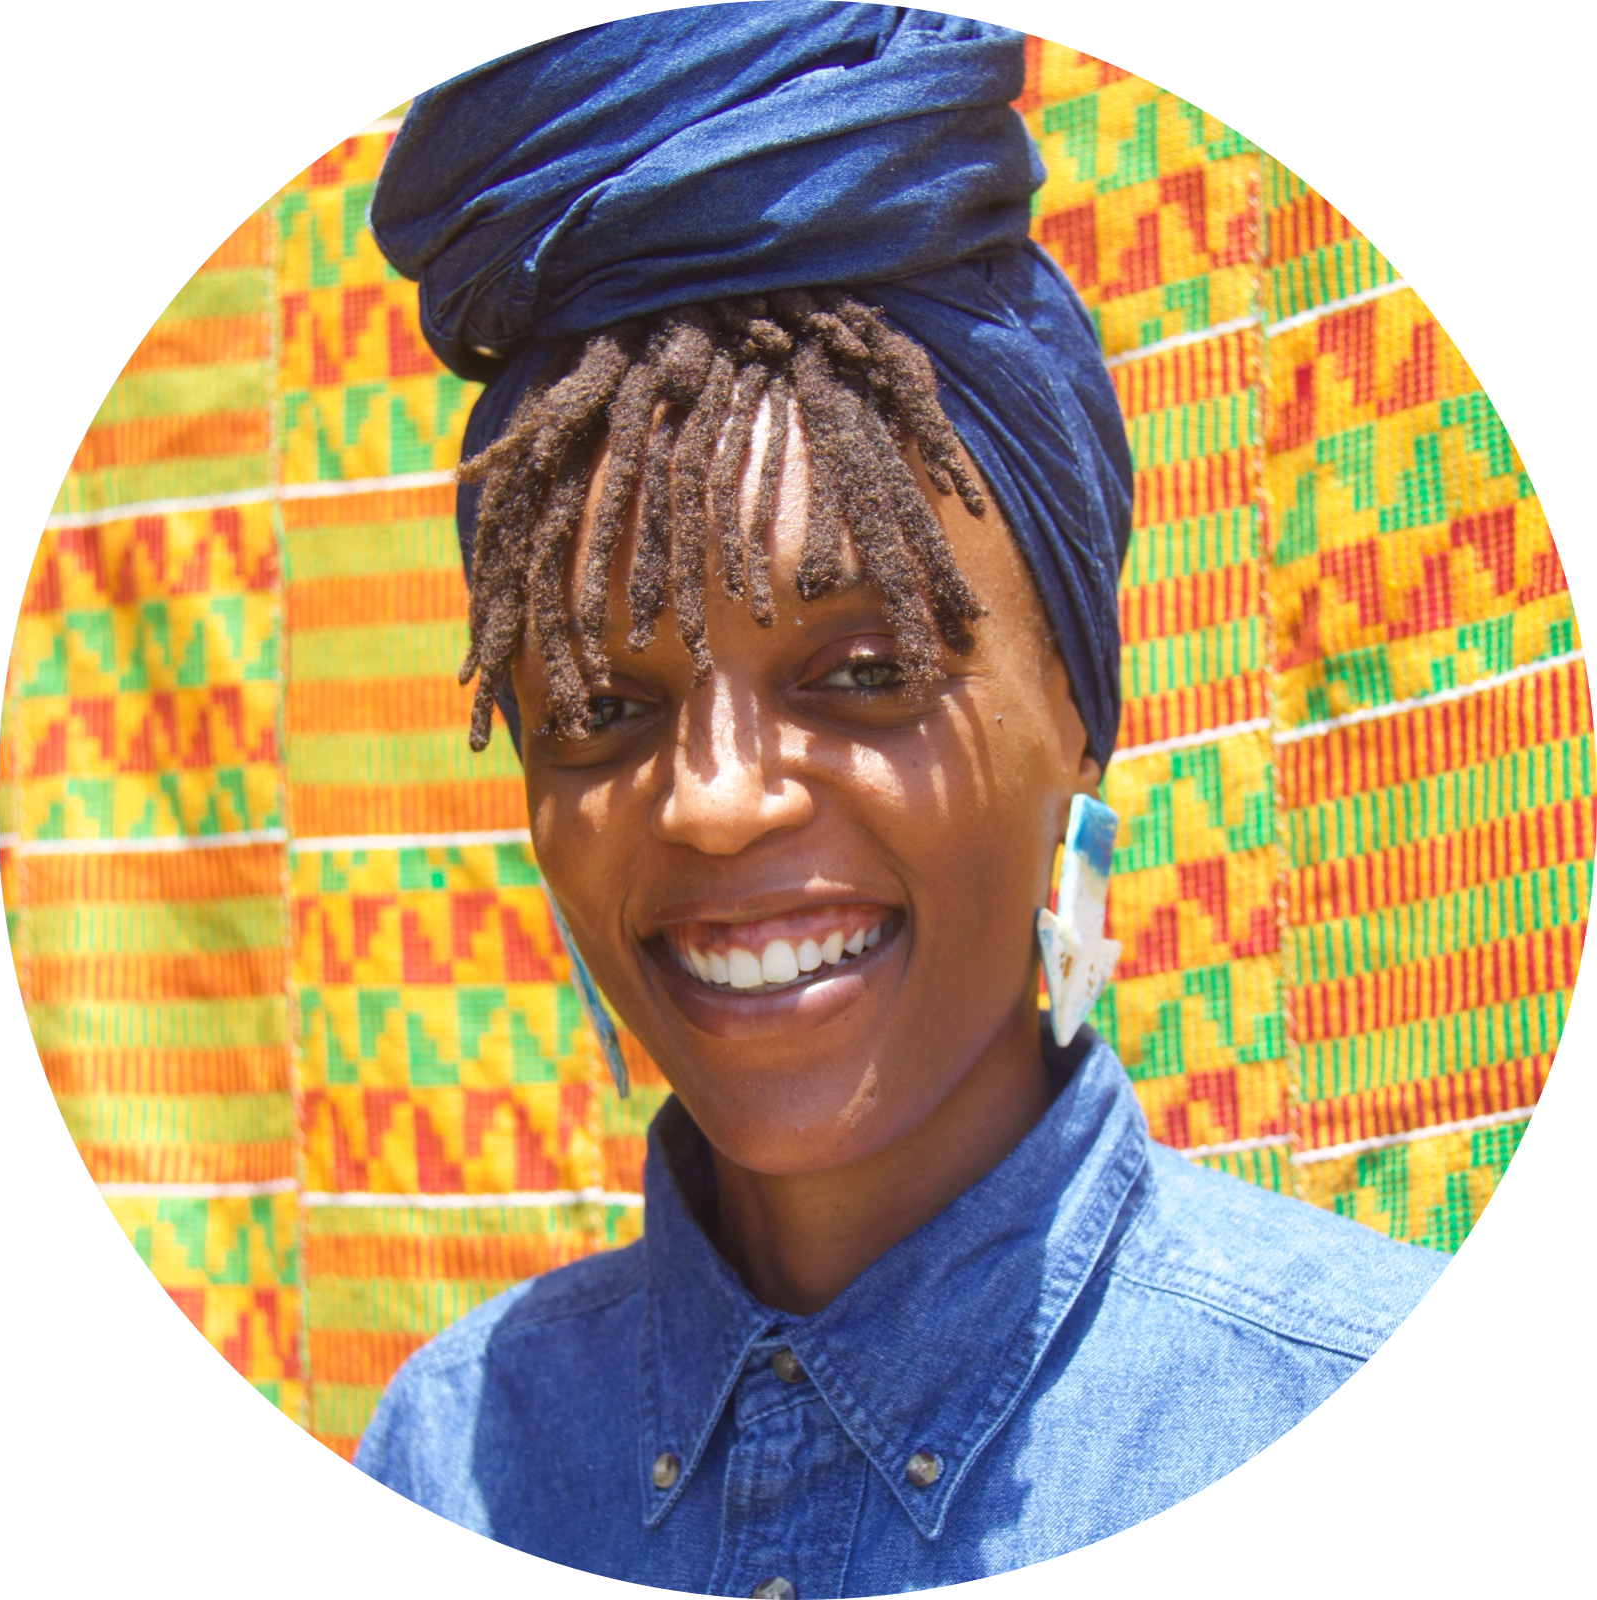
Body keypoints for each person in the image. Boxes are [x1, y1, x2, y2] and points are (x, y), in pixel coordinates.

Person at [354, 9, 1446, 1589]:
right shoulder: (458, 1453)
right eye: (600, 709)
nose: (715, 801)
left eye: (862, 670)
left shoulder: (1303, 1384)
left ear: (1078, 711)